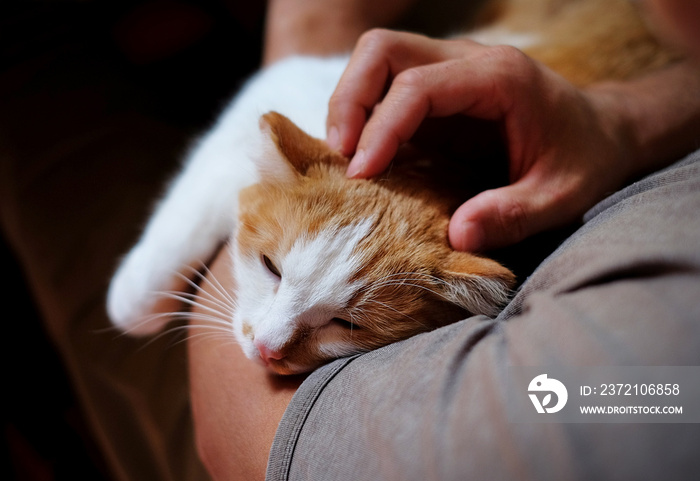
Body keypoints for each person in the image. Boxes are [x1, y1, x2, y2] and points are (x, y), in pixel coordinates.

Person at [189, 0, 700, 480]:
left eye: (346, 322)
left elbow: (231, 437)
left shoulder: (635, 391)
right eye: (275, 271)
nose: (270, 344)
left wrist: (305, 37)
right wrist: (621, 122)